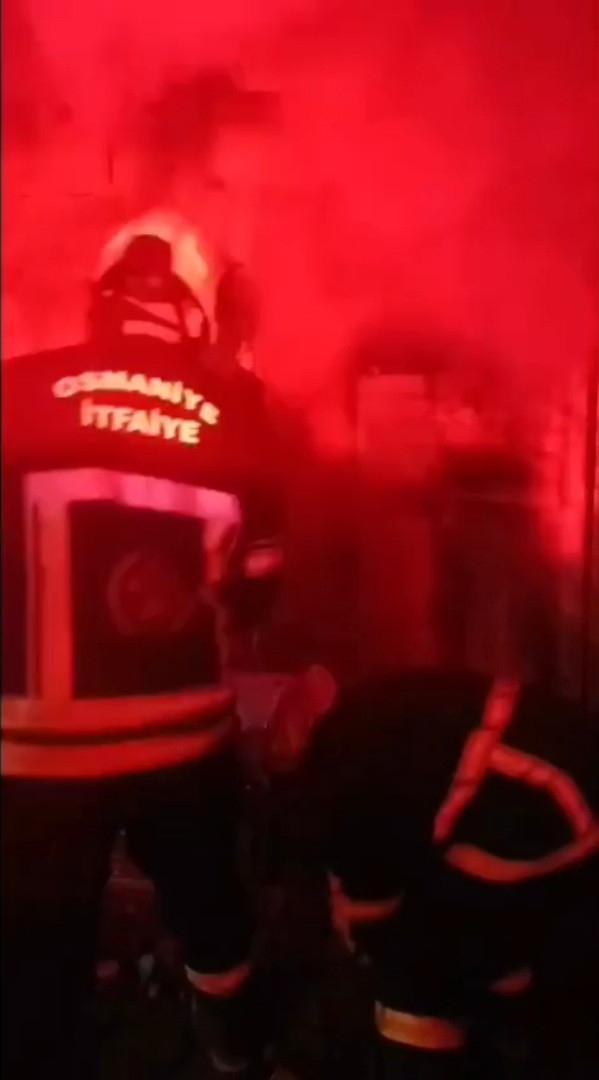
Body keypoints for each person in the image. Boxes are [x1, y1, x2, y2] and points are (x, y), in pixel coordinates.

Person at [1, 229, 284, 1079]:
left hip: (33, 751)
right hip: (183, 745)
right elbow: (260, 589)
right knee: (212, 913)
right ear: (195, 318)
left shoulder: (13, 388)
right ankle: (237, 1052)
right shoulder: (239, 412)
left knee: (38, 950)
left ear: (100, 303)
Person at [265, 667, 599, 1078]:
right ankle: (509, 1024)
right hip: (555, 810)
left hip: (546, 814)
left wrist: (356, 942)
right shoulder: (374, 714)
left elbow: (375, 920)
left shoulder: (339, 779)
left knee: (411, 975)